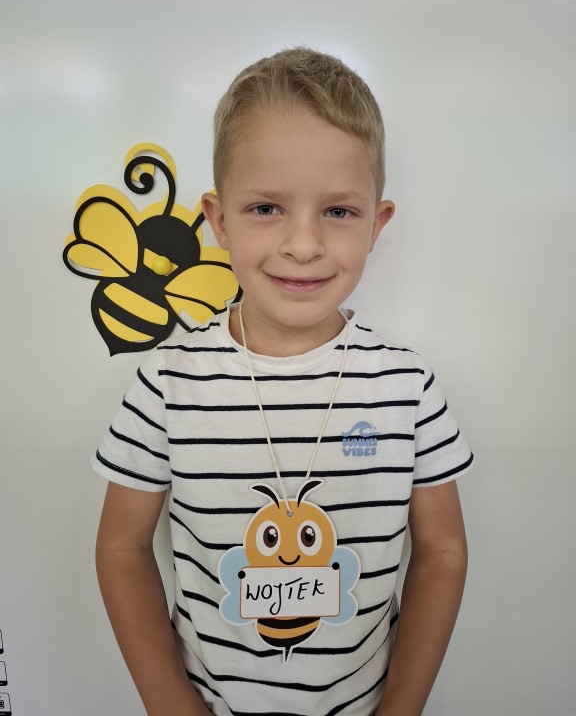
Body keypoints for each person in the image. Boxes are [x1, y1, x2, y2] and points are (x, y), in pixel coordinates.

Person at [94, 47, 473, 716]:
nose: (303, 245)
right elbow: (121, 548)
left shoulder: (407, 386)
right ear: (218, 221)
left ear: (377, 224)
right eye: (267, 207)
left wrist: (402, 709)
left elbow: (443, 550)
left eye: (338, 212)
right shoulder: (167, 384)